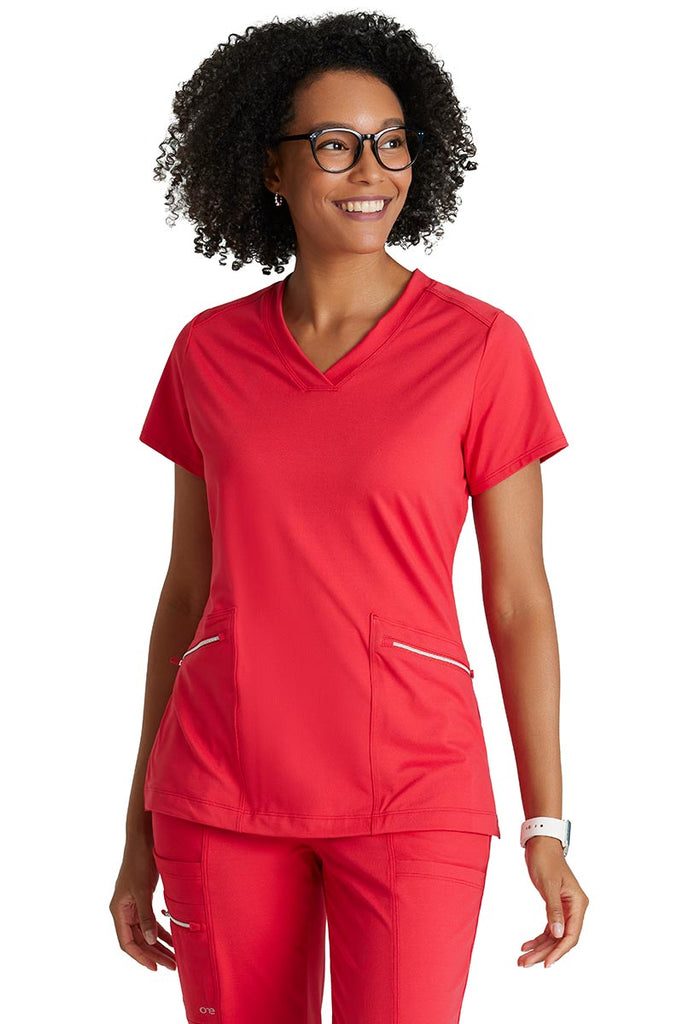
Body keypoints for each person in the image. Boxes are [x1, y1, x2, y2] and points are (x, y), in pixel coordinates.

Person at [110, 11, 589, 1023]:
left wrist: (545, 821)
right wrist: (136, 830)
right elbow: (186, 594)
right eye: (333, 143)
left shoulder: (480, 349)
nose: (369, 169)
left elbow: (517, 601)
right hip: (219, 787)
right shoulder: (207, 353)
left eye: (391, 140)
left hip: (414, 791)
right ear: (270, 169)